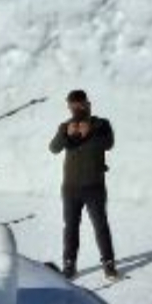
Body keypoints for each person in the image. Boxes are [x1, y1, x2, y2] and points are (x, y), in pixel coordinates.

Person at [50, 89, 117, 280]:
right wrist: (66, 135)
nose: (75, 108)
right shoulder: (65, 126)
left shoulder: (101, 124)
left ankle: (108, 263)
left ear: (87, 104)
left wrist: (92, 132)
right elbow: (53, 148)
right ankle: (69, 265)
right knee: (71, 227)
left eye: (79, 104)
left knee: (100, 225)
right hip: (70, 188)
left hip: (94, 186)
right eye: (72, 105)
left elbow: (109, 144)